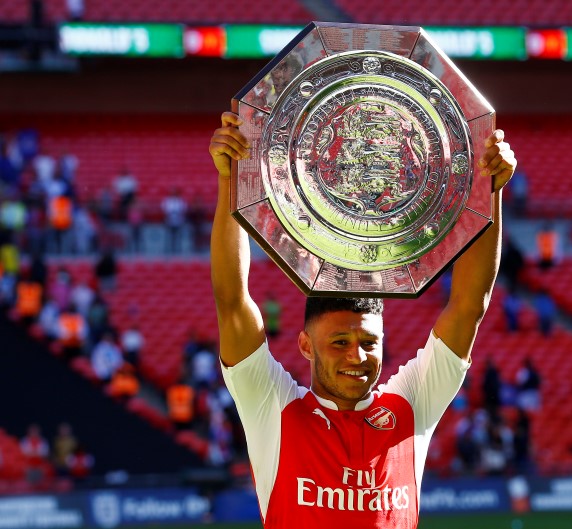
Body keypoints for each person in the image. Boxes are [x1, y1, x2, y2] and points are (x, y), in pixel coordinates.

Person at [209, 111, 515, 527]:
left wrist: (489, 186)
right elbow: (232, 301)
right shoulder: (274, 407)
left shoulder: (411, 405)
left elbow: (468, 306)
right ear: (305, 345)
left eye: (369, 342)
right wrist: (232, 179)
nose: (357, 356)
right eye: (339, 342)